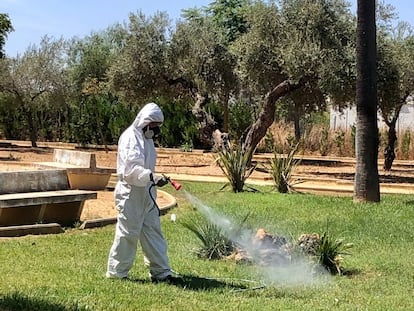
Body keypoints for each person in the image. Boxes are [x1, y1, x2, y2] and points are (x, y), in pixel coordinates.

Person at [106, 102, 178, 283]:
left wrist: (152, 178)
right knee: (128, 234)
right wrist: (152, 177)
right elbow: (131, 171)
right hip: (130, 193)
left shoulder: (147, 139)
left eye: (157, 127)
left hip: (146, 193)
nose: (154, 130)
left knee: (153, 231)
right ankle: (117, 273)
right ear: (144, 121)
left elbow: (146, 167)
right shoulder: (130, 138)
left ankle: (161, 273)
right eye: (153, 126)